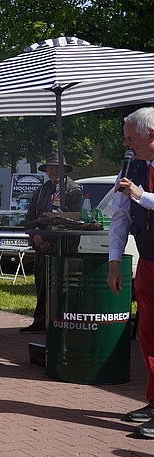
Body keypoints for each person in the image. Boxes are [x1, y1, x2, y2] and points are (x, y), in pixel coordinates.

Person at [107, 106, 154, 439]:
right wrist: (114, 261)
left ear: (152, 135)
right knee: (149, 334)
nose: (126, 144)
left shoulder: (137, 180)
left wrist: (141, 195)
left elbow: (138, 199)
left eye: (131, 138)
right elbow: (120, 215)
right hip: (149, 262)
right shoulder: (130, 167)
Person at [21, 153, 83, 332]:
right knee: (42, 285)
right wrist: (37, 236)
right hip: (42, 247)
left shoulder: (74, 190)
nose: (54, 171)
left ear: (65, 170)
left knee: (63, 288)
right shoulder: (41, 191)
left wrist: (49, 238)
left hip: (64, 247)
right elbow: (30, 217)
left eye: (57, 168)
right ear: (46, 170)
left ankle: (62, 323)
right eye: (51, 168)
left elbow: (72, 220)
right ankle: (40, 322)